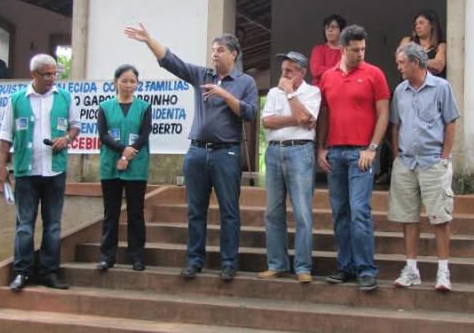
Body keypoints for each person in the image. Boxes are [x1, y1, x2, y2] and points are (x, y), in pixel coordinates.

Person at [125, 23, 258, 282]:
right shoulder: (201, 75)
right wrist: (148, 39)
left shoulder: (246, 82)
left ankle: (229, 263)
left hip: (226, 154)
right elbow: (171, 61)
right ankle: (194, 260)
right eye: (212, 50)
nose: (215, 54)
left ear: (234, 54)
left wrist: (223, 93)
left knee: (229, 211)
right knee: (196, 210)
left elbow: (251, 114)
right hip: (197, 153)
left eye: (220, 50)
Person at [0, 54, 80, 292]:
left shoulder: (65, 97)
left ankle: (49, 273)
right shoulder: (17, 100)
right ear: (34, 74)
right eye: (47, 74)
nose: (52, 78)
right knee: (25, 225)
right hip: (26, 172)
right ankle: (22, 272)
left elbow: (76, 126)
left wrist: (66, 138)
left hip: (55, 171)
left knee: (53, 225)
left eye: (55, 73)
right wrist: (1, 168)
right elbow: (5, 136)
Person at [317, 25, 390, 292]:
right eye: (355, 49)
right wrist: (321, 149)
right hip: (335, 152)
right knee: (340, 213)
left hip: (362, 153)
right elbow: (324, 115)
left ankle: (366, 269)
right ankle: (346, 266)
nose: (361, 54)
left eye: (363, 49)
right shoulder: (327, 77)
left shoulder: (374, 74)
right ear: (343, 49)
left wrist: (372, 148)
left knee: (360, 211)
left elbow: (384, 114)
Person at [388, 43, 460, 292]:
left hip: (433, 161)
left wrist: (445, 156)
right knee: (408, 218)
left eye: (401, 63)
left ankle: (443, 271)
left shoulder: (441, 87)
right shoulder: (400, 90)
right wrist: (397, 154)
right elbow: (395, 124)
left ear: (415, 64)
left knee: (440, 218)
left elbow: (450, 123)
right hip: (406, 162)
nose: (398, 67)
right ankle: (411, 269)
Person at [258, 51, 321, 284]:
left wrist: (291, 94)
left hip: (300, 151)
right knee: (273, 212)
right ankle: (277, 264)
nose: (283, 75)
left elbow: (308, 116)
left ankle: (303, 266)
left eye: (289, 71)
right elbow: (267, 121)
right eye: (283, 70)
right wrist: (297, 119)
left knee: (302, 212)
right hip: (274, 152)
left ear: (302, 73)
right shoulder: (273, 93)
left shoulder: (312, 92)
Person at [96, 64, 152, 273]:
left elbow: (144, 134)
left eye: (133, 81)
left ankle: (137, 256)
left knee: (136, 213)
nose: (129, 85)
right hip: (110, 165)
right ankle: (107, 257)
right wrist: (122, 150)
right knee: (111, 213)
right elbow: (103, 135)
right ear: (116, 82)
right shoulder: (105, 106)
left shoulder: (144, 107)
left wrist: (128, 154)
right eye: (124, 80)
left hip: (137, 165)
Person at [399, 10, 447, 78]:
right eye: (416, 24)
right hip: (408, 86)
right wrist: (428, 64)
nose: (417, 26)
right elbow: (402, 61)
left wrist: (413, 62)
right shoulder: (407, 41)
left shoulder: (441, 46)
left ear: (432, 24)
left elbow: (438, 66)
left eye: (421, 23)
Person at [309, 14, 346, 87]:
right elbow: (316, 71)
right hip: (320, 92)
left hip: (341, 90)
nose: (329, 30)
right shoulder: (318, 50)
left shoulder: (347, 51)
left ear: (342, 30)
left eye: (333, 27)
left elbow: (351, 71)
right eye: (326, 27)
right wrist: (340, 70)